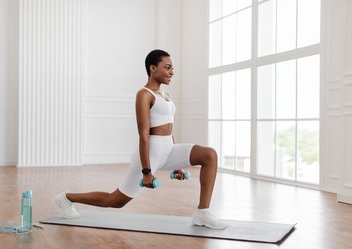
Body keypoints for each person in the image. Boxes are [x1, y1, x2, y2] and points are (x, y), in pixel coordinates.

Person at [55, 49, 227, 229]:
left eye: (172, 68)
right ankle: (66, 198)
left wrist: (177, 165)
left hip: (168, 150)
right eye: (167, 67)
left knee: (209, 155)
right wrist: (146, 171)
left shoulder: (165, 96)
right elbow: (144, 134)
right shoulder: (144, 94)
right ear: (153, 68)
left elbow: (169, 129)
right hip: (149, 155)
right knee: (116, 201)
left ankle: (202, 213)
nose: (172, 72)